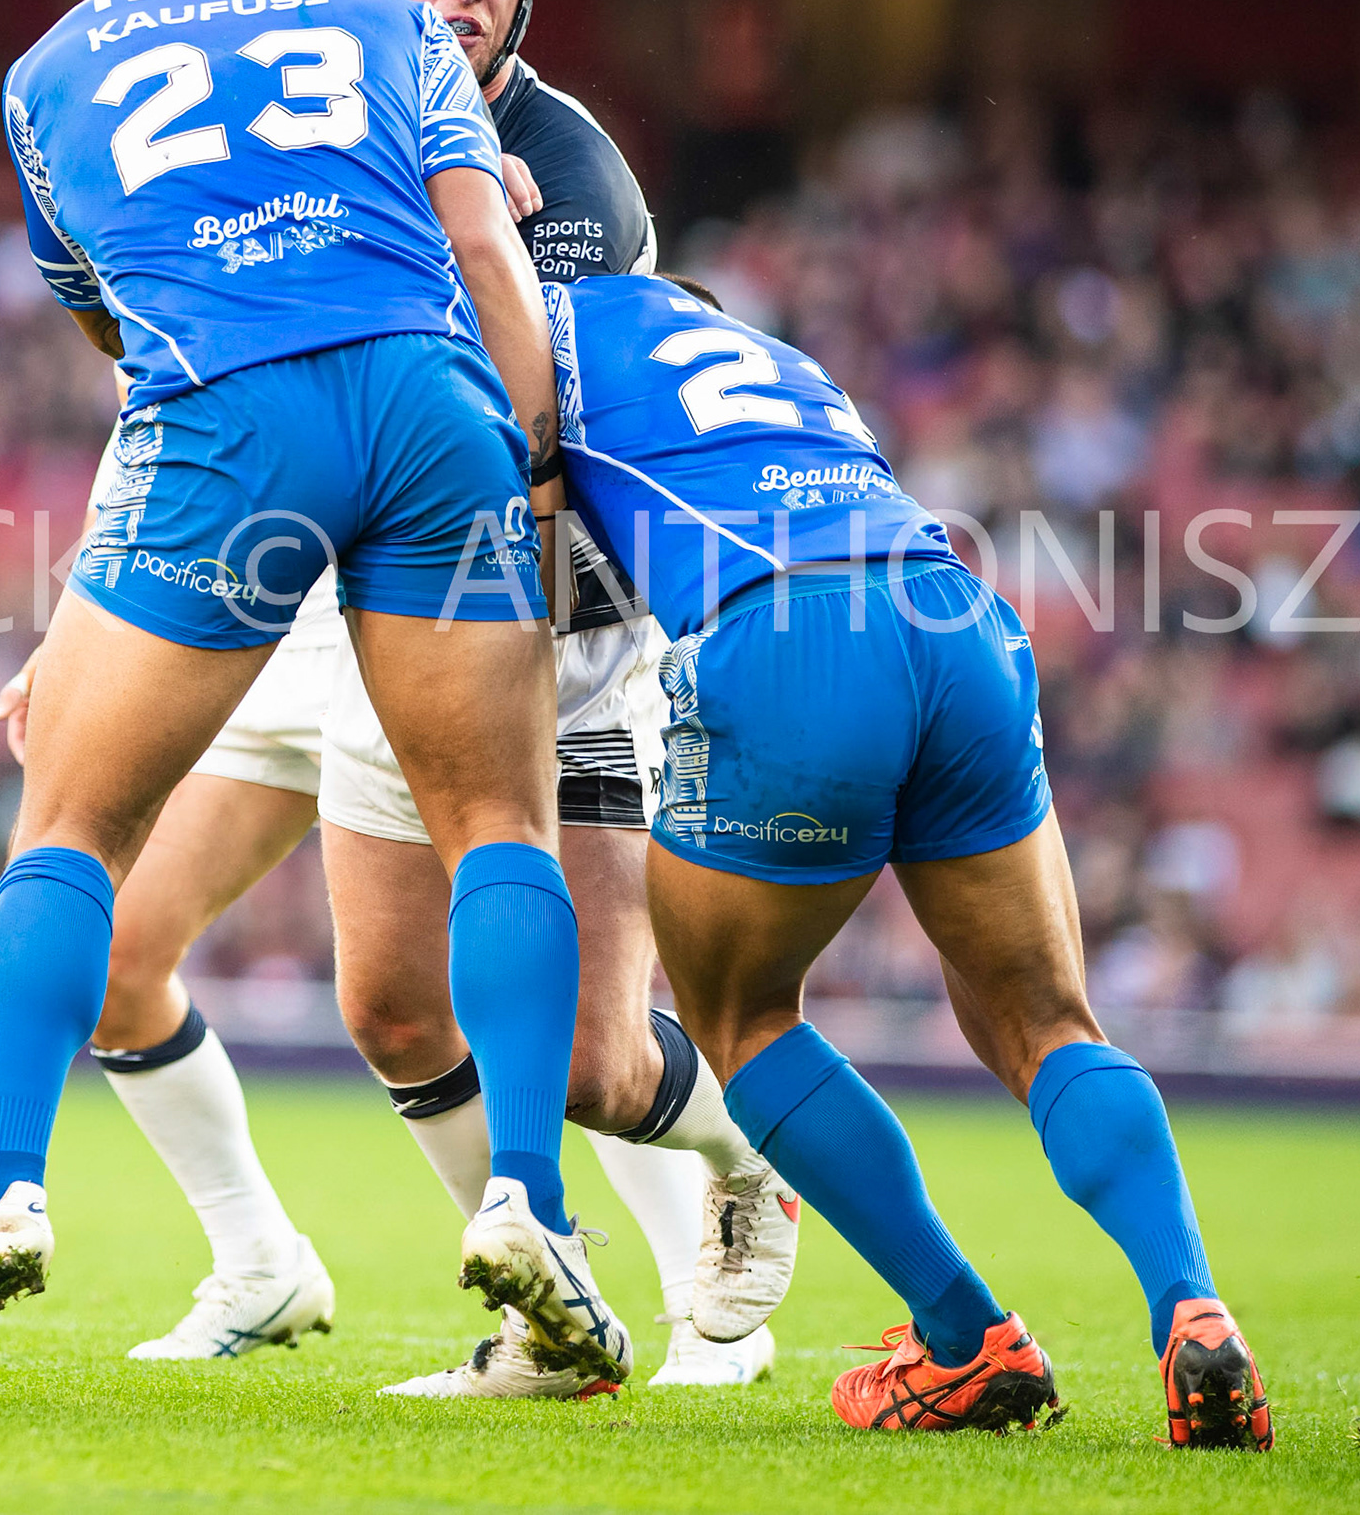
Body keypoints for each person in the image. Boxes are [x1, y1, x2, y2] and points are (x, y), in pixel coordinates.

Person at [0, 0, 630, 1389]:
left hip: (230, 433)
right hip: (429, 409)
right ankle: (534, 1206)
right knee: (498, 828)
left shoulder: (54, 63)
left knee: (69, 835)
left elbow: (112, 321)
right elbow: (482, 250)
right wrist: (519, 453)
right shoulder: (384, 26)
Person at [0, 0, 797, 1392]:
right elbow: (177, 372)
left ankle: (719, 1204)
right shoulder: (299, 99)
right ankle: (265, 1261)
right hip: (285, 591)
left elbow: (563, 396)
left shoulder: (570, 169)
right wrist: (80, 617)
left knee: (563, 1046)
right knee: (131, 953)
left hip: (466, 588)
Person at [537, 267, 1273, 1447]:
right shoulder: (782, 365)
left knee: (742, 1020)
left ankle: (964, 1332)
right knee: (1044, 1020)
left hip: (785, 635)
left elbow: (527, 533)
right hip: (954, 617)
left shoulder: (551, 330)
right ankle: (1193, 1306)